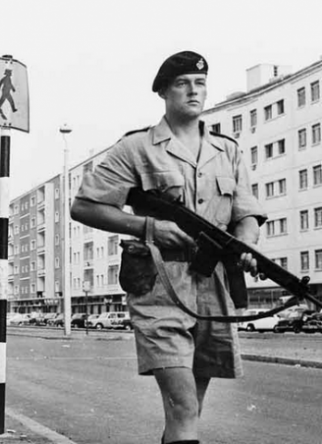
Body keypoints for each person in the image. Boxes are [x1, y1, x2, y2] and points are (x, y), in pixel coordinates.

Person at [70, 51, 265, 444]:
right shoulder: (136, 147)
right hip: (160, 284)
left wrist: (246, 244)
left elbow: (246, 212)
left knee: (190, 406)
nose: (194, 91)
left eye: (200, 84)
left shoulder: (228, 150)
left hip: (214, 284)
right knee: (183, 405)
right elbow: (84, 206)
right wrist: (149, 227)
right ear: (163, 91)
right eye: (182, 83)